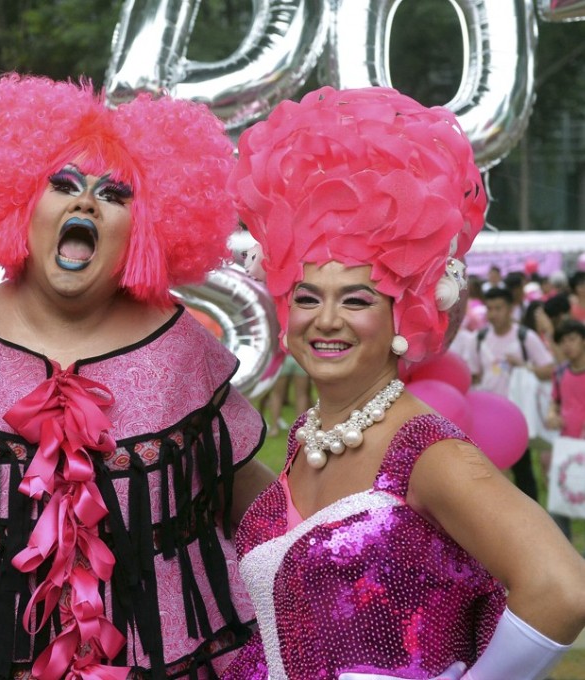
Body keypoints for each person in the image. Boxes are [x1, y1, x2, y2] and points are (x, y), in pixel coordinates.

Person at [0, 73, 274, 678]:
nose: (84, 203)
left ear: (145, 229)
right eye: (62, 185)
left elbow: (261, 512)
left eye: (114, 194)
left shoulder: (184, 350)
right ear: (20, 203)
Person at [222, 86, 585, 680]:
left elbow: (562, 588)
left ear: (403, 314)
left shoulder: (427, 452)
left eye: (357, 299)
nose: (327, 319)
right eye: (308, 297)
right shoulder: (308, 441)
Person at [467, 286, 555, 501]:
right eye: (490, 308)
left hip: (518, 414)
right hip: (489, 417)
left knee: (523, 471)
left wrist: (523, 366)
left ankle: (531, 515)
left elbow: (548, 369)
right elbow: (474, 374)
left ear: (510, 309)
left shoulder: (525, 337)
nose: (494, 314)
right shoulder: (478, 338)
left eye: (499, 308)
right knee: (490, 471)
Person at [546, 319, 585, 541]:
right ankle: (567, 555)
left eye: (572, 339)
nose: (568, 345)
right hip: (567, 447)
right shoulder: (560, 372)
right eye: (563, 342)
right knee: (559, 505)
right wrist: (552, 415)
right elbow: (555, 401)